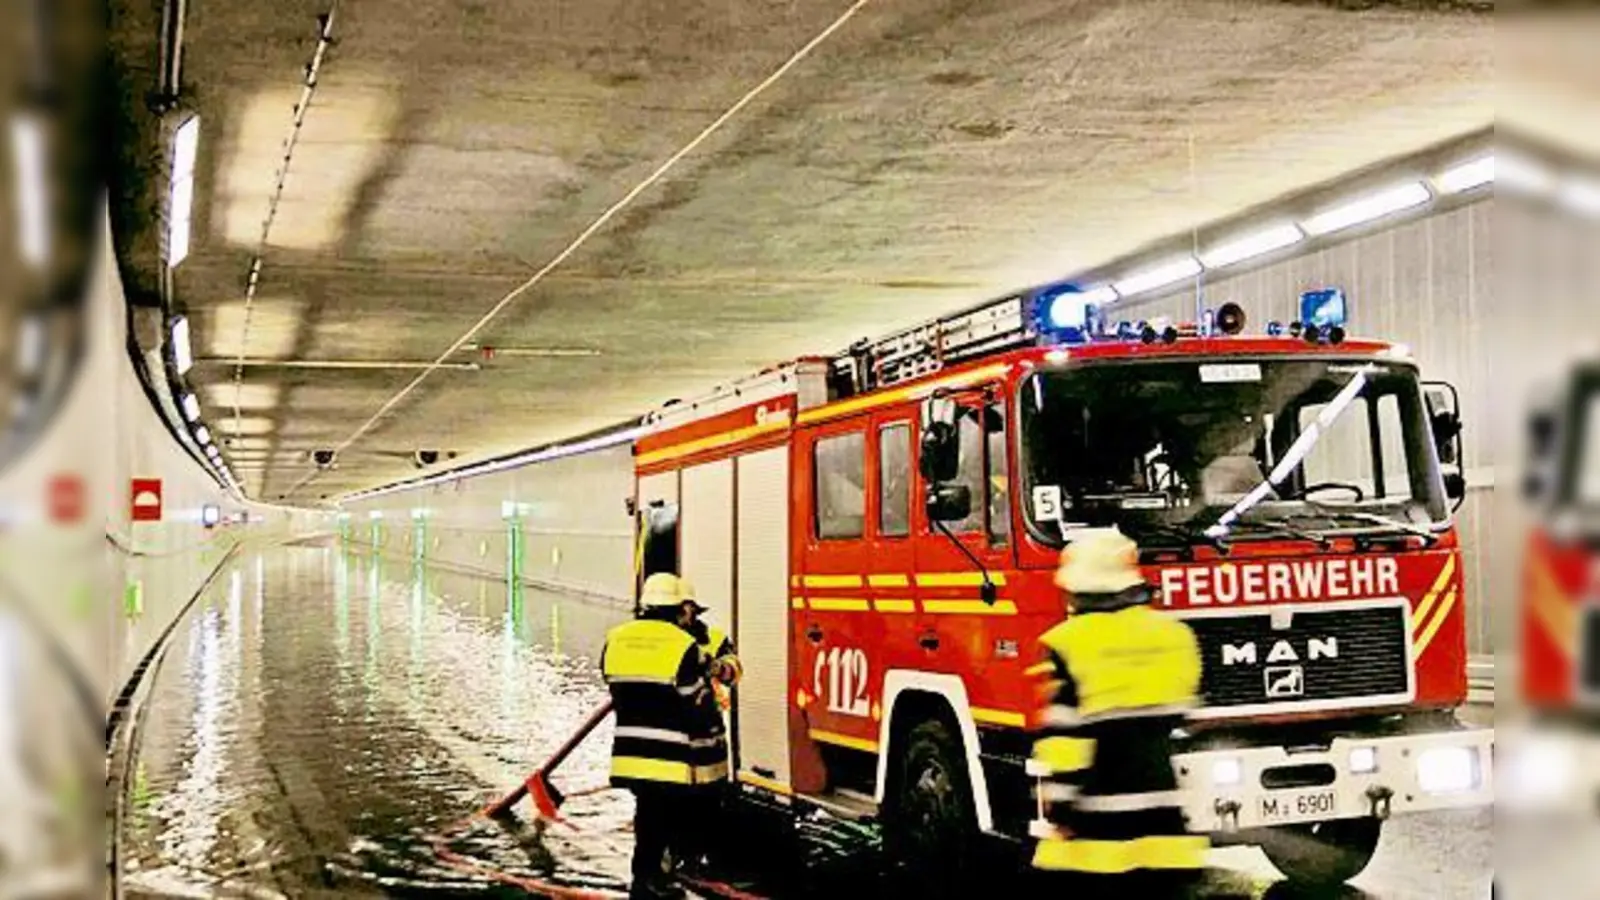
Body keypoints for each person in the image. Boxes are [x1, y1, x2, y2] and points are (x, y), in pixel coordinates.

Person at [1029, 529, 1208, 898]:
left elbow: (1065, 743)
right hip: (1166, 826)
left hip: (1097, 832)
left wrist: (1059, 810)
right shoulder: (1177, 637)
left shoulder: (1068, 643)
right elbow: (1188, 723)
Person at [601, 573, 724, 900]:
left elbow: (610, 678)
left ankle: (644, 878)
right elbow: (695, 698)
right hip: (669, 753)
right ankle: (655, 880)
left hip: (628, 748)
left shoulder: (616, 637)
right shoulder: (684, 645)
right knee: (665, 816)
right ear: (680, 609)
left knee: (648, 814)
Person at [674, 578, 741, 878]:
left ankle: (702, 863)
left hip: (708, 738)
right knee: (672, 803)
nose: (683, 613)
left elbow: (734, 670)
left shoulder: (712, 638)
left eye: (685, 608)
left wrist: (714, 667)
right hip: (673, 740)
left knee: (711, 801)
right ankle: (676, 861)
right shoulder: (663, 640)